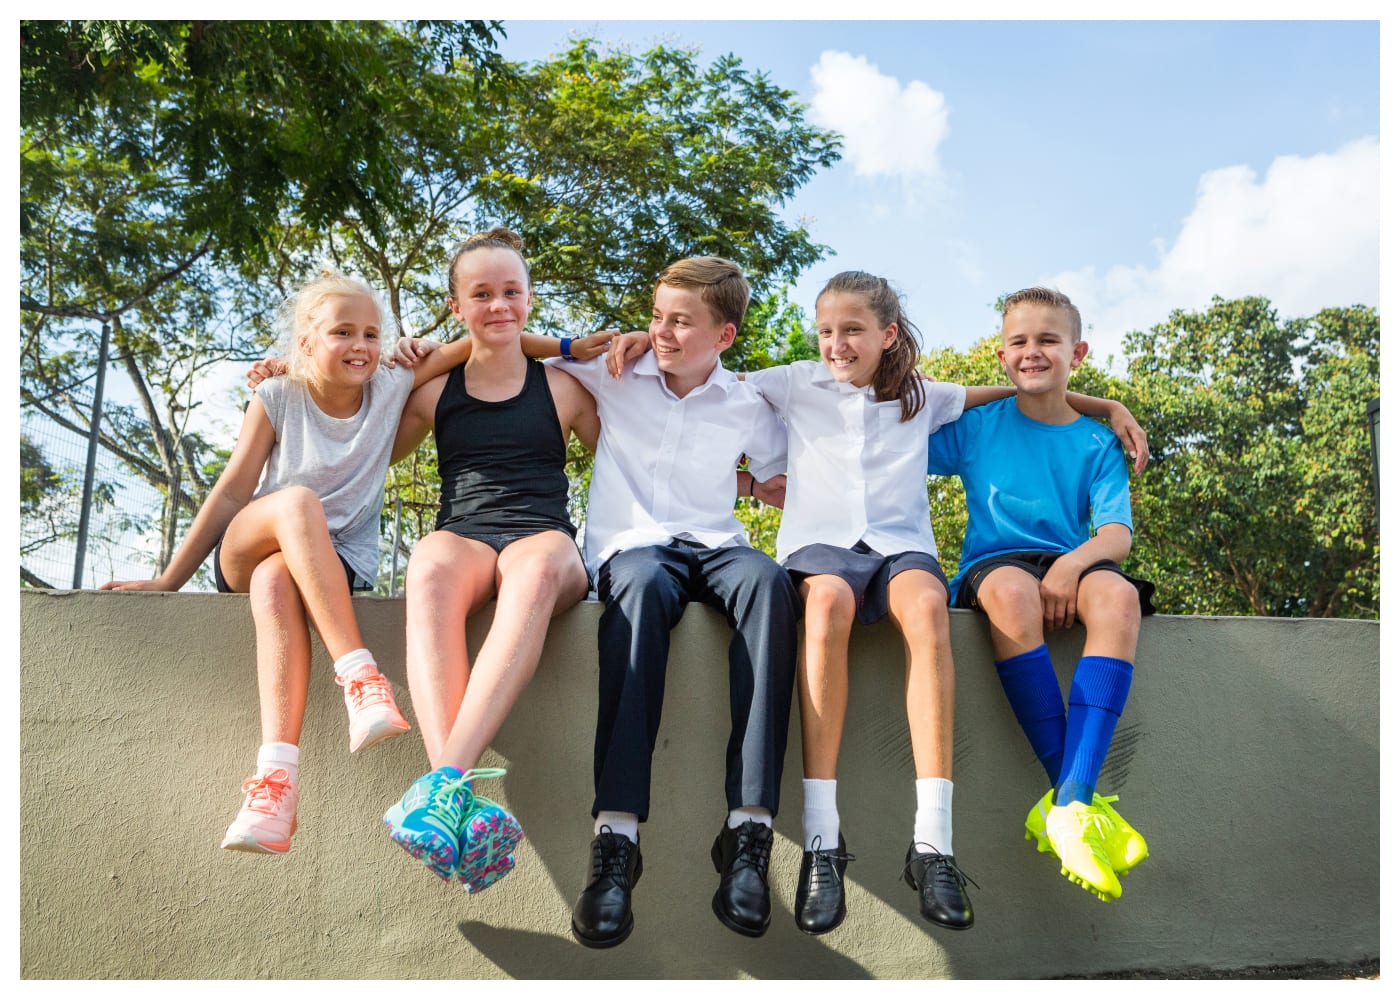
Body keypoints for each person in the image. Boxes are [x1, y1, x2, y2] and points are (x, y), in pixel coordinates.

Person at [683, 270, 1145, 936]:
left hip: (903, 548)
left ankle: (933, 844)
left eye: (853, 331)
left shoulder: (925, 397)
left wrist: (1104, 406)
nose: (837, 344)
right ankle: (821, 841)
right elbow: (710, 388)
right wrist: (749, 484)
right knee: (827, 610)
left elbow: (1027, 392)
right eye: (827, 332)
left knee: (929, 611)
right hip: (820, 549)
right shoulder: (791, 382)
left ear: (887, 333)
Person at [103, 270, 464, 855]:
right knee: (295, 506)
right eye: (342, 331)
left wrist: (570, 348)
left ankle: (275, 787)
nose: (361, 346)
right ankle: (360, 678)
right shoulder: (277, 395)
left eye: (372, 334)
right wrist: (169, 580)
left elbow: (484, 335)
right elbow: (230, 491)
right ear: (305, 342)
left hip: (332, 561)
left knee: (278, 582)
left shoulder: (393, 384)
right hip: (249, 546)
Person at [543, 256, 796, 948]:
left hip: (717, 544)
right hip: (636, 549)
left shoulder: (746, 403)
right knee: (645, 587)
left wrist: (763, 488)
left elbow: (781, 478)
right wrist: (589, 343)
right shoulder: (617, 370)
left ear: (726, 335)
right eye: (657, 316)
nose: (662, 331)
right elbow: (517, 347)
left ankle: (748, 833)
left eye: (681, 322)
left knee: (770, 582)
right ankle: (615, 844)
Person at [380, 228, 601, 895]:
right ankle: (455, 806)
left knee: (531, 574)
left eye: (511, 291)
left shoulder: (563, 387)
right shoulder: (431, 391)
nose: (499, 305)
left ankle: (441, 784)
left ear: (530, 298)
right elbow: (361, 441)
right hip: (465, 533)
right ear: (455, 306)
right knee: (428, 566)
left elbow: (642, 456)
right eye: (481, 294)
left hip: (544, 538)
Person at [925, 286, 1156, 904]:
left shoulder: (1098, 441)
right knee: (1013, 595)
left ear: (1076, 351)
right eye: (1019, 342)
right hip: (994, 565)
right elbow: (896, 425)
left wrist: (1071, 567)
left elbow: (1115, 534)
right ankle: (1075, 805)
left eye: (1048, 341)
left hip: (1070, 560)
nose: (1033, 352)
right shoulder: (974, 428)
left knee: (1119, 601)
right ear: (1001, 356)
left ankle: (1071, 802)